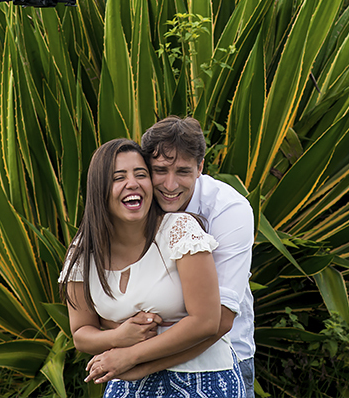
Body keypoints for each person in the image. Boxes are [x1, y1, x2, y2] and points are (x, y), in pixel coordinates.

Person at [61, 137, 243, 397]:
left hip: (202, 377)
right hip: (125, 381)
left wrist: (132, 356)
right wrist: (118, 338)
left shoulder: (179, 231)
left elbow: (206, 321)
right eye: (118, 177)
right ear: (99, 188)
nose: (132, 183)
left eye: (140, 174)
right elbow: (81, 333)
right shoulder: (83, 250)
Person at [141, 116, 256, 398]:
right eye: (160, 170)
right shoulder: (136, 204)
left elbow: (220, 321)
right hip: (145, 356)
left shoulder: (230, 210)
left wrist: (135, 362)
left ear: (200, 167)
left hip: (223, 360)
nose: (170, 185)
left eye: (182, 171)